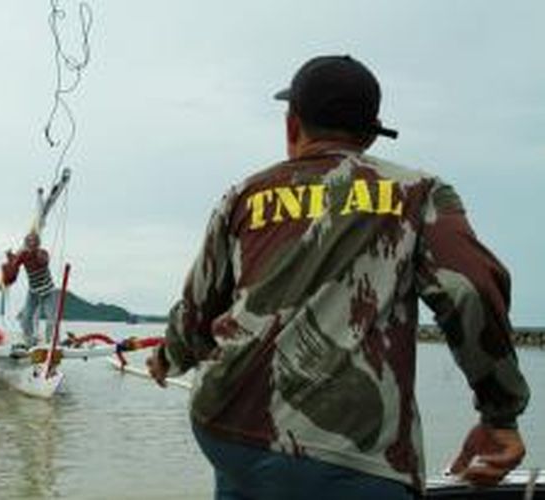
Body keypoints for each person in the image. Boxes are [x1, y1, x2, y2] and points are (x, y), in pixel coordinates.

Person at [146, 55, 530, 499]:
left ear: (292, 127)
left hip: (227, 429)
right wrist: (500, 415)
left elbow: (197, 310)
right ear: (369, 134)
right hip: (352, 451)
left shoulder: (243, 196)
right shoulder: (417, 194)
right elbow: (471, 290)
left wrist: (168, 358)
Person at [1, 231, 58, 347]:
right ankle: (30, 342)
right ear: (26, 244)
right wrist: (10, 257)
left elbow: (43, 261)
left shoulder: (43, 253)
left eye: (34, 242)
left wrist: (35, 253)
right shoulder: (23, 255)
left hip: (48, 291)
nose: (31, 244)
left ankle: (50, 343)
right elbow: (14, 266)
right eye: (29, 242)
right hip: (33, 292)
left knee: (51, 319)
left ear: (38, 243)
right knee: (25, 318)